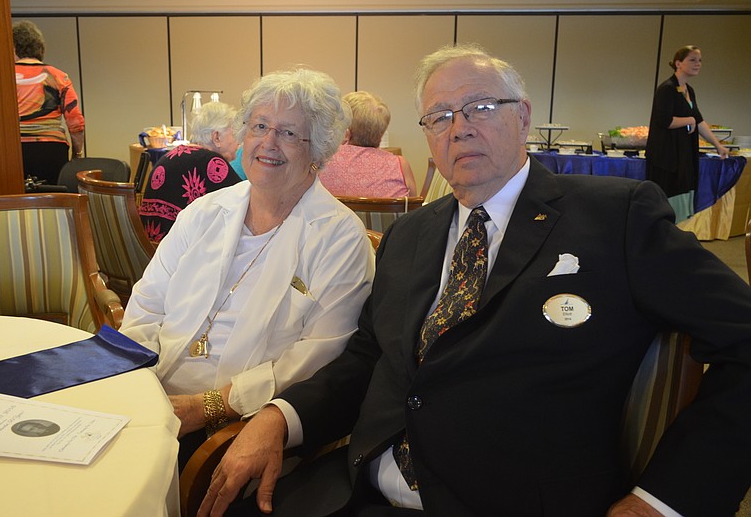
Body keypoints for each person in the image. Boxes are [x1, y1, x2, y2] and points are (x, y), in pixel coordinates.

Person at [198, 44, 751, 517]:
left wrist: (662, 501)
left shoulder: (615, 216)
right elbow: (368, 359)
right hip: (357, 491)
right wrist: (280, 417)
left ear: (524, 117)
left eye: (481, 107)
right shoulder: (409, 235)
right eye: (439, 117)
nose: (459, 128)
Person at [120, 67, 374, 471]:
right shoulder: (205, 211)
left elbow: (316, 358)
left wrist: (207, 406)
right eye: (259, 126)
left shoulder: (340, 238)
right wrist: (137, 382)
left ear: (320, 148)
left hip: (237, 425)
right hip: (152, 393)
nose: (268, 143)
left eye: (289, 133)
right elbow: (147, 304)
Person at [646, 45, 729, 221]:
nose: (697, 64)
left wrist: (718, 145)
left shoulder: (689, 90)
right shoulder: (667, 89)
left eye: (699, 61)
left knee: (683, 205)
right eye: (692, 60)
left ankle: (677, 238)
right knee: (667, 204)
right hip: (666, 159)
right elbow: (666, 121)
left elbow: (699, 120)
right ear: (678, 63)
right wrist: (689, 120)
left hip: (683, 156)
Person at [139, 101, 243, 243]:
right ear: (216, 137)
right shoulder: (211, 161)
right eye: (234, 134)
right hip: (179, 252)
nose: (239, 142)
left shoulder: (173, 155)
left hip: (152, 247)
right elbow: (243, 205)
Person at [13, 20, 85, 185]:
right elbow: (75, 122)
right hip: (52, 149)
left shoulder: (2, 76)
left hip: (14, 150)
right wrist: (77, 154)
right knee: (53, 199)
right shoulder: (59, 76)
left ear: (14, 48)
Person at [319, 91, 417, 197]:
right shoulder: (400, 165)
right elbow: (413, 205)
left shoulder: (323, 162)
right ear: (382, 132)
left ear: (346, 133)